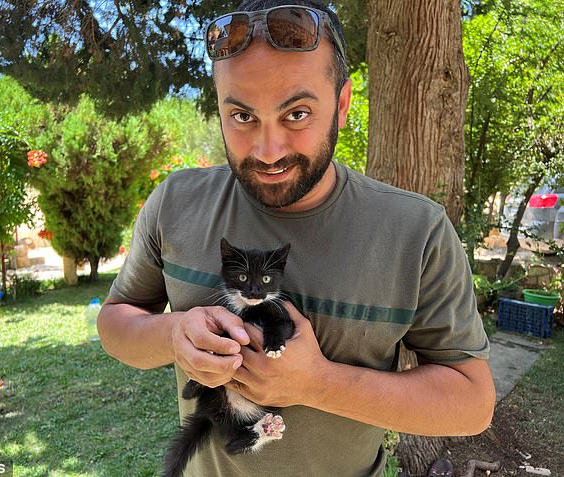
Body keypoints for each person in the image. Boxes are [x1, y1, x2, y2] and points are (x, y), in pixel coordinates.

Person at [97, 1, 496, 475]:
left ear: (343, 104)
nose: (268, 151)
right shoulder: (176, 203)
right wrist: (172, 334)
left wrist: (318, 383)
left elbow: (472, 403)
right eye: (242, 116)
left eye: (298, 113)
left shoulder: (417, 231)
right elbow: (115, 325)